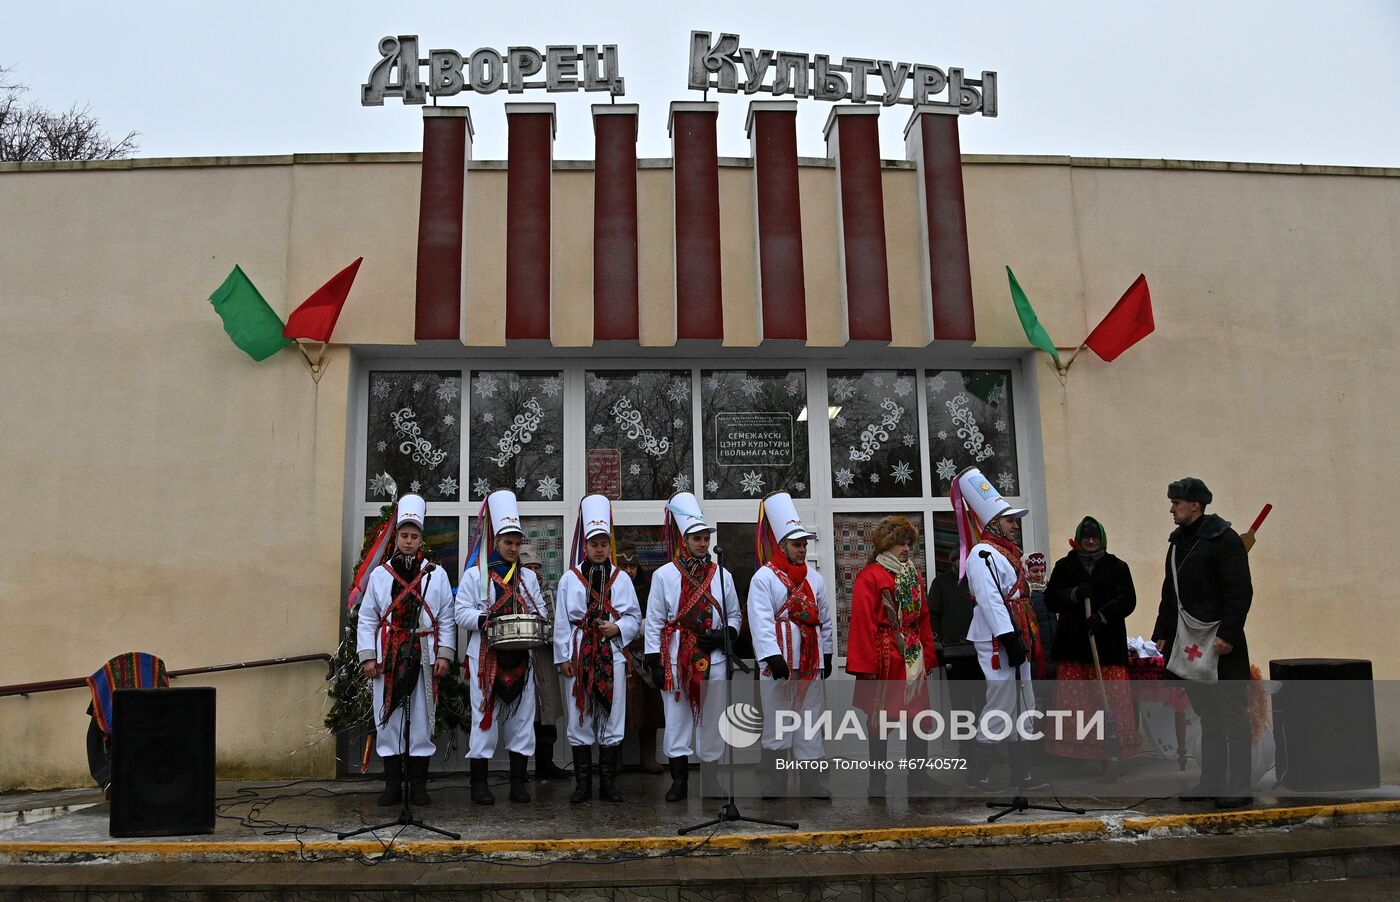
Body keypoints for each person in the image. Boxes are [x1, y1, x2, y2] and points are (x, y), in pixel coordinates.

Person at [1152, 477, 1254, 809]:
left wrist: (1229, 634)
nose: (1171, 509)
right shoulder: (1178, 542)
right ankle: (1211, 781)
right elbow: (1171, 592)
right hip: (1189, 642)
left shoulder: (1224, 541)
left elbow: (1240, 591)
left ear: (1195, 505)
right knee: (1208, 715)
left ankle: (1239, 785)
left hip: (1222, 644)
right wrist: (1162, 633)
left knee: (1233, 716)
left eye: (1176, 503)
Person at [356, 494, 457, 807]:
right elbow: (368, 617)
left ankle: (419, 785)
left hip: (425, 652)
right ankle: (392, 786)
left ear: (421, 539)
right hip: (389, 653)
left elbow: (447, 618)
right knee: (388, 717)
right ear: (396, 537)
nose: (409, 541)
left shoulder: (436, 574)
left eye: (414, 536)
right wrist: (368, 657)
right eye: (404, 536)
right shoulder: (381, 575)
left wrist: (444, 653)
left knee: (423, 717)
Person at [643, 492, 742, 802]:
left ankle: (712, 780)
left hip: (712, 656)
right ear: (684, 541)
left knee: (713, 716)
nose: (702, 543)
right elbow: (655, 620)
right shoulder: (663, 575)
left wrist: (727, 633)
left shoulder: (722, 575)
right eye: (696, 538)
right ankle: (679, 780)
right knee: (677, 717)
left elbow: (736, 614)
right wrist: (654, 661)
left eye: (705, 538)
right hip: (675, 656)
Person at [954, 466, 1043, 793]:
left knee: (1024, 699)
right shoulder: (981, 554)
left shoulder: (1008, 553)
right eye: (1009, 520)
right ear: (992, 523)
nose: (1014, 525)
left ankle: (1022, 774)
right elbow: (990, 601)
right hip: (997, 637)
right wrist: (1008, 636)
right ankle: (976, 773)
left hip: (1018, 630)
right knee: (1002, 701)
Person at [457, 489, 549, 805]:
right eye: (507, 542)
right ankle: (479, 785)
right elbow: (460, 612)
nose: (512, 548)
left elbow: (542, 611)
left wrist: (533, 618)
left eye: (517, 542)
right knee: (484, 720)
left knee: (523, 721)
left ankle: (518, 783)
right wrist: (483, 619)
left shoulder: (529, 578)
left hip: (522, 657)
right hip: (485, 658)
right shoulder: (476, 575)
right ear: (495, 541)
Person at [846, 515, 942, 798]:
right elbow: (863, 622)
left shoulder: (912, 574)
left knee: (919, 715)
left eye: (909, 542)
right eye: (900, 542)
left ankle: (919, 777)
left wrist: (928, 655)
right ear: (886, 545)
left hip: (911, 654)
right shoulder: (871, 576)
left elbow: (923, 617)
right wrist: (865, 666)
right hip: (885, 655)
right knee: (881, 718)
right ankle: (877, 781)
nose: (906, 548)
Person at [554, 494, 641, 803]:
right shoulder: (570, 579)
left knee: (613, 715)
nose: (600, 549)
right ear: (586, 546)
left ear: (609, 545)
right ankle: (582, 785)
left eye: (604, 543)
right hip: (579, 652)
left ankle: (608, 784)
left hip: (612, 654)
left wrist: (618, 628)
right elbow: (562, 620)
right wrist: (563, 656)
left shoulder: (621, 578)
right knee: (580, 715)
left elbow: (634, 616)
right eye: (594, 544)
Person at [747, 492, 834, 800]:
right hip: (780, 660)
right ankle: (775, 782)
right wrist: (771, 655)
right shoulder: (764, 578)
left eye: (805, 544)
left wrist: (827, 651)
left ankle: (811, 783)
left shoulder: (815, 578)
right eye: (797, 544)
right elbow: (759, 619)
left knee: (810, 717)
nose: (802, 549)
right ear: (782, 545)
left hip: (810, 660)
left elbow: (824, 617)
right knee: (777, 717)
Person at [1043, 517, 1140, 765]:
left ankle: (1112, 751)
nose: (1090, 541)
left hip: (1107, 647)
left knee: (1109, 701)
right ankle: (1077, 756)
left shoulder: (1117, 567)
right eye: (1086, 537)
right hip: (1074, 646)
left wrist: (1103, 616)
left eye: (1094, 537)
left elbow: (1128, 599)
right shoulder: (1065, 567)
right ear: (1078, 539)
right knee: (1078, 705)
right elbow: (1050, 599)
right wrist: (1074, 594)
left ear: (1102, 539)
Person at [520, 544, 569, 782]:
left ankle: (545, 764)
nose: (535, 571)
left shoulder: (552, 592)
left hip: (545, 656)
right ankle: (518, 769)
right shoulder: (514, 590)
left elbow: (560, 622)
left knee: (547, 710)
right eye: (529, 567)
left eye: (537, 567)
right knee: (524, 714)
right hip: (521, 656)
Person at [619, 542, 665, 774]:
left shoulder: (649, 590)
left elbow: (657, 617)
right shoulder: (610, 588)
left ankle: (648, 756)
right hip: (618, 655)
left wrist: (643, 628)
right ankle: (614, 759)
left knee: (650, 707)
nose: (629, 571)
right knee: (618, 708)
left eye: (632, 566)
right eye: (624, 566)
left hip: (646, 656)